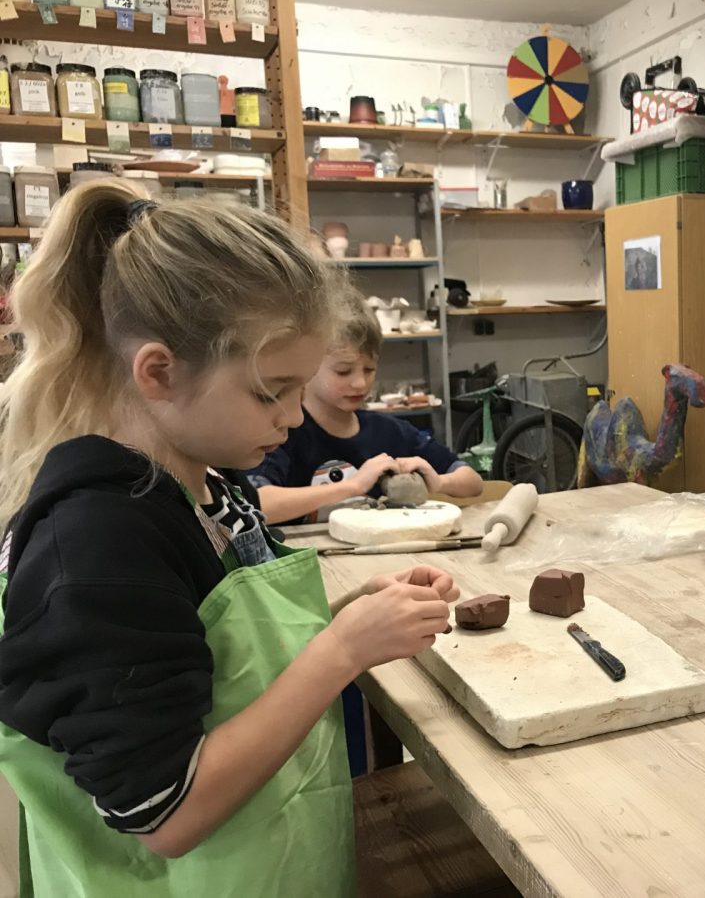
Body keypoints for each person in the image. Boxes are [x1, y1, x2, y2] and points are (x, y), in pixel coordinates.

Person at [0, 181, 459, 896]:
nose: (293, 419)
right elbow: (165, 812)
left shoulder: (207, 483)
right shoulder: (96, 544)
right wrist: (340, 652)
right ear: (160, 371)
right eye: (269, 391)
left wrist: (356, 619)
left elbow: (224, 664)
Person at [250, 291, 482, 525]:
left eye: (369, 370)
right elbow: (257, 504)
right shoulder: (283, 434)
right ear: (307, 367)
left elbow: (472, 482)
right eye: (343, 371)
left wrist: (440, 482)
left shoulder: (389, 431)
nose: (360, 383)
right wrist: (354, 486)